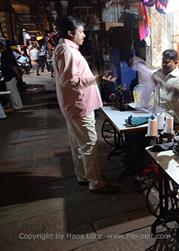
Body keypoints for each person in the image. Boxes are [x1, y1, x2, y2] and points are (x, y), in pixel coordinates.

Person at [53, 16, 114, 193]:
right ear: (71, 33)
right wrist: (97, 77)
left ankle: (83, 175)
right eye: (81, 32)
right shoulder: (67, 51)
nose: (84, 35)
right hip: (79, 106)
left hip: (73, 105)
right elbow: (70, 81)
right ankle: (95, 181)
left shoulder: (65, 48)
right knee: (89, 143)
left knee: (78, 143)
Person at [153, 49, 179, 124]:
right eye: (163, 62)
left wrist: (163, 84)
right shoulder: (160, 72)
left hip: (173, 118)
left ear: (175, 62)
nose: (164, 65)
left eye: (167, 62)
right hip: (159, 114)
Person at [0, 40, 24, 110]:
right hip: (10, 75)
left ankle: (18, 106)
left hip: (10, 76)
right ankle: (16, 105)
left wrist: (17, 75)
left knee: (13, 92)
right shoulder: (8, 53)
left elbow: (13, 66)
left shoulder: (6, 54)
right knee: (13, 91)